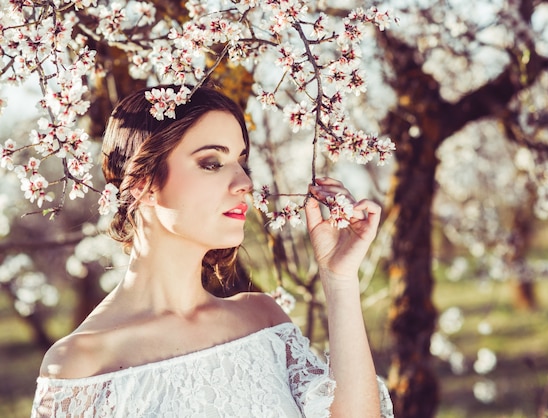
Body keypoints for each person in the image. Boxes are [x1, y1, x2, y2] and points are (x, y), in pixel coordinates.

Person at [30, 84, 394, 417]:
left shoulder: (262, 321)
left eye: (241, 162)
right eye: (212, 163)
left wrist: (339, 278)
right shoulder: (81, 366)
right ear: (145, 183)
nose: (245, 183)